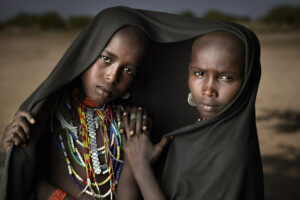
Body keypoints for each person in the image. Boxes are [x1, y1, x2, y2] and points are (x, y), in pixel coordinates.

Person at [1, 6, 263, 200]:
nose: (112, 76)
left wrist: (137, 165)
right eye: (105, 59)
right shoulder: (46, 111)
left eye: (128, 70)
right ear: (86, 52)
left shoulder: (128, 122)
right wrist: (12, 151)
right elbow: (22, 178)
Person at [120, 30, 264, 200]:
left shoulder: (233, 154)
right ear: (189, 72)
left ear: (247, 81)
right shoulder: (200, 129)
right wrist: (133, 157)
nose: (208, 90)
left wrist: (142, 169)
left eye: (226, 77)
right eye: (200, 73)